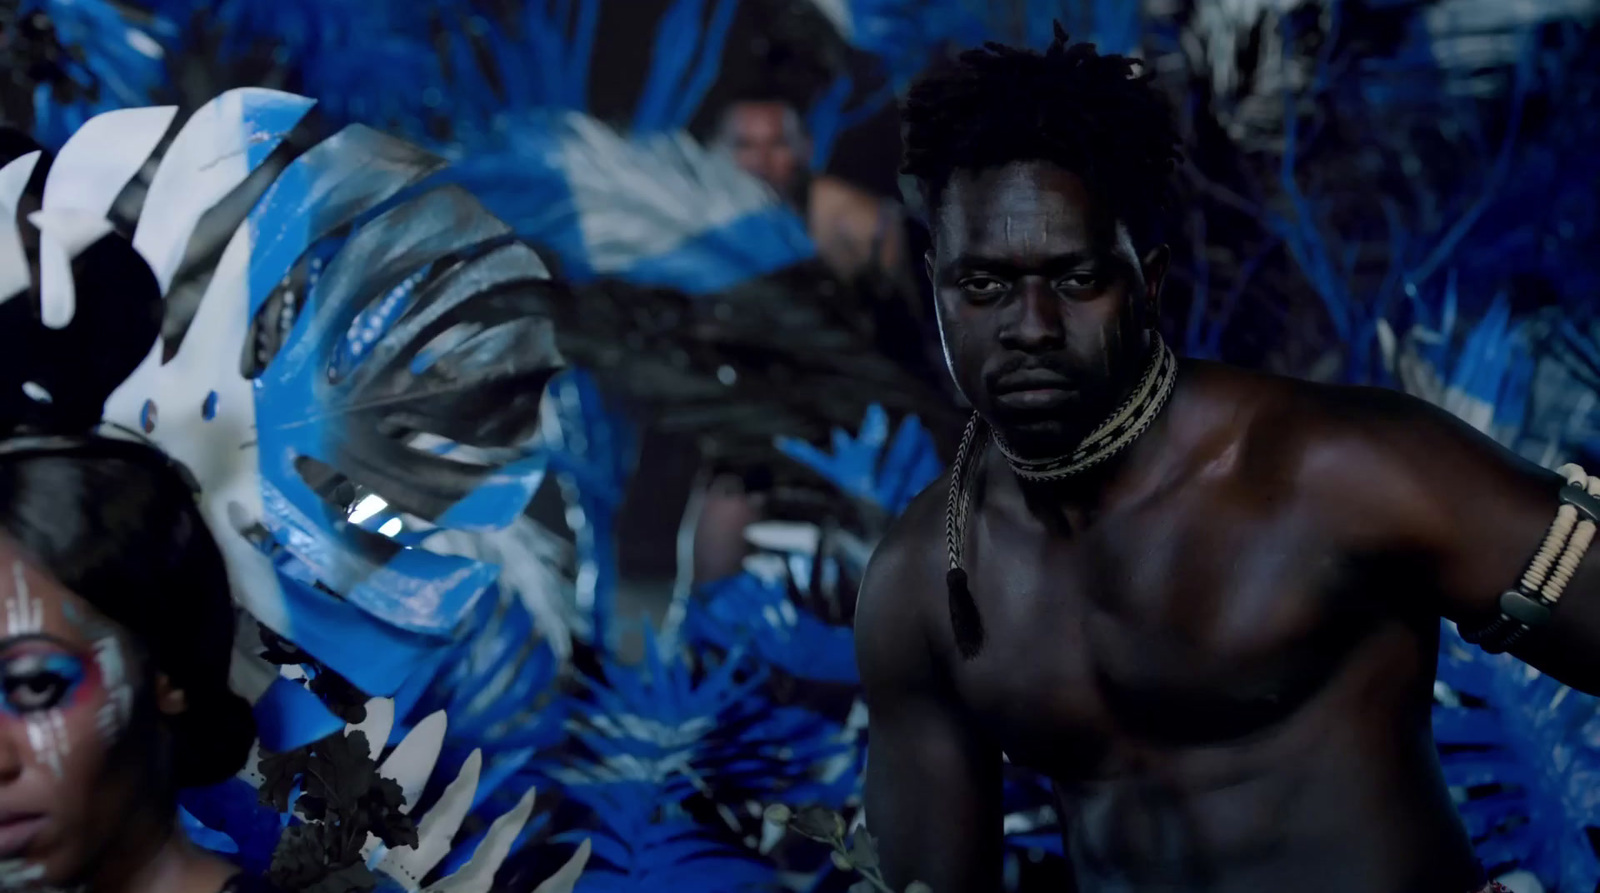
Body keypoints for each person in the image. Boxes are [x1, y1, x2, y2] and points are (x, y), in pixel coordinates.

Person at [854, 29, 1600, 893]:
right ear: (937, 285)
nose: (1029, 327)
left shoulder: (1342, 470)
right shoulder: (919, 585)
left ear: (1149, 282)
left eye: (1075, 279)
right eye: (983, 285)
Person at [713, 94, 907, 283]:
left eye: (777, 143)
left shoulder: (836, 205)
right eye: (745, 145)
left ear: (805, 148)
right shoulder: (716, 215)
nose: (761, 160)